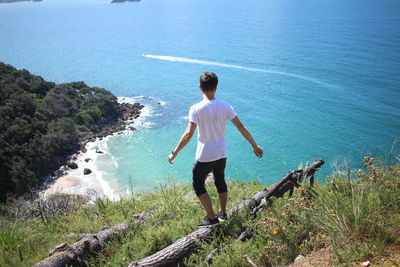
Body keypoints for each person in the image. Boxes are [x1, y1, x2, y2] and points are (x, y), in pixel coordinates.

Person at [168, 72, 263, 227]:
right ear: (216, 87)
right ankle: (223, 213)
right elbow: (240, 126)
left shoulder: (195, 108)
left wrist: (174, 153)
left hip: (205, 155)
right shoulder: (226, 107)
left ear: (200, 88)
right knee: (220, 181)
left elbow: (188, 134)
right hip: (221, 153)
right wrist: (254, 145)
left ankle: (212, 219)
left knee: (198, 184)